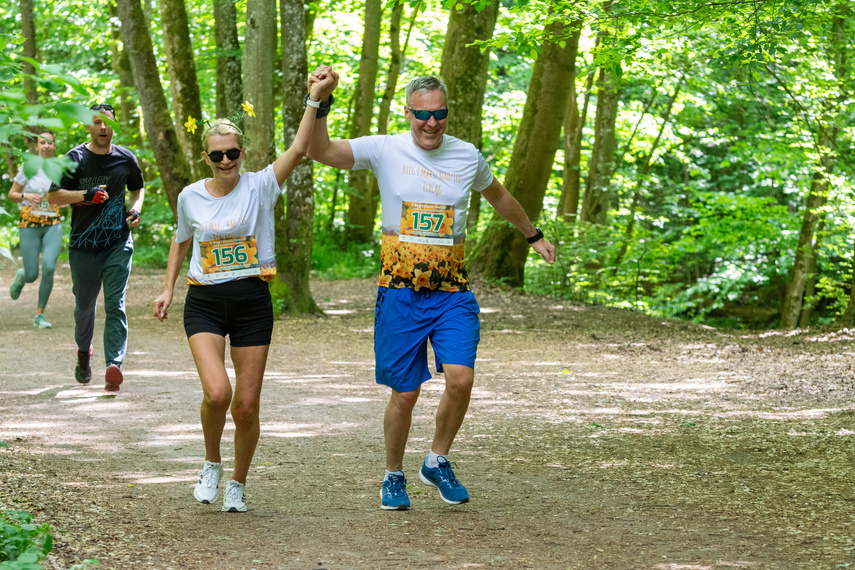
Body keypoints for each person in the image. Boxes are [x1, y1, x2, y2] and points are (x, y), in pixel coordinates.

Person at [306, 68, 556, 510]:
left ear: (448, 113)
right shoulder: (385, 148)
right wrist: (320, 103)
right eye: (422, 114)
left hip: (452, 293)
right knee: (406, 393)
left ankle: (437, 460)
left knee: (461, 378)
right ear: (408, 113)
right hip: (399, 293)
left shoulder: (466, 156)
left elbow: (498, 196)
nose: (431, 123)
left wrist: (532, 236)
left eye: (439, 113)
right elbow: (318, 149)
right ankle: (393, 475)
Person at [151, 74, 335, 513]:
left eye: (233, 153)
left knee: (246, 406)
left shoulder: (261, 185)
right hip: (205, 302)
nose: (226, 160)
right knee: (218, 394)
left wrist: (314, 100)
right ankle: (211, 462)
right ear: (207, 158)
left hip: (253, 300)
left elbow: (298, 149)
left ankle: (238, 482)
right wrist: (168, 287)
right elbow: (181, 240)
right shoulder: (190, 196)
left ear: (242, 153)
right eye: (218, 155)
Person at [48, 104, 144, 392]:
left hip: (118, 242)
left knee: (115, 304)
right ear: (87, 127)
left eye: (108, 123)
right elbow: (53, 196)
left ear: (116, 127)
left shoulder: (126, 158)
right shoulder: (74, 159)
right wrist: (84, 195)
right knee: (84, 306)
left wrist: (135, 209)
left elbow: (137, 189)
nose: (103, 128)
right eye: (97, 123)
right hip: (83, 246)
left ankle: (114, 364)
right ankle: (83, 352)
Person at [8, 131, 62, 328]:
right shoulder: (28, 167)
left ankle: (40, 315)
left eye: (50, 143)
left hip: (53, 224)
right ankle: (22, 277)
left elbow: (67, 195)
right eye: (42, 143)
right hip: (29, 225)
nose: (46, 146)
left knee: (49, 267)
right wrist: (27, 197)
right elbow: (12, 194)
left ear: (54, 146)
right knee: (32, 275)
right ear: (37, 146)